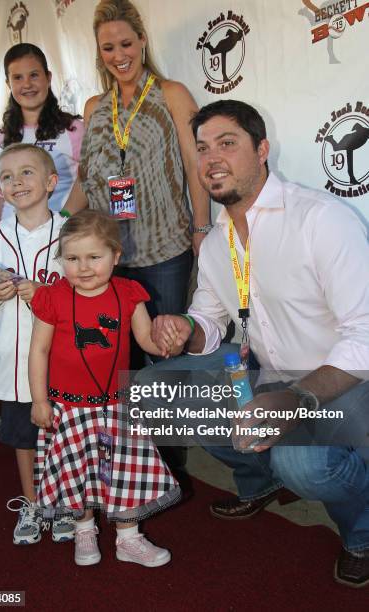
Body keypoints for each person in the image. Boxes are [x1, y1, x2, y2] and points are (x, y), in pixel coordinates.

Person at [148, 100, 369, 588]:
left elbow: (366, 335)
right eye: (202, 149)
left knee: (302, 462)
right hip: (271, 378)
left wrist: (297, 399)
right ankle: (262, 475)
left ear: (263, 149)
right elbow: (208, 319)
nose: (211, 160)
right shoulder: (217, 240)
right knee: (159, 393)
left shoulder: (322, 219)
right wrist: (186, 328)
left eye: (227, 144)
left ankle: (362, 532)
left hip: (345, 380)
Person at [29, 209, 181, 567]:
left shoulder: (129, 294)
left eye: (94, 257)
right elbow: (39, 350)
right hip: (67, 408)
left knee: (124, 469)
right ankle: (84, 530)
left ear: (116, 255)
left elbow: (146, 340)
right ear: (61, 259)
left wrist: (168, 341)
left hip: (117, 405)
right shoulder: (52, 297)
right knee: (77, 471)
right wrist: (39, 400)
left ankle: (129, 538)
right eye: (72, 258)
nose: (83, 267)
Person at [66, 0, 210, 325]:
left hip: (165, 251)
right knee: (121, 356)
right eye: (108, 48)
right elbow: (86, 178)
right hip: (107, 254)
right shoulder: (94, 108)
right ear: (99, 53)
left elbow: (194, 163)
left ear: (142, 40)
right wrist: (59, 222)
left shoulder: (171, 94)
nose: (119, 56)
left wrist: (202, 228)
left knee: (164, 347)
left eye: (126, 44)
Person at [0, 143, 72, 546]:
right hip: (13, 358)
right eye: (6, 176)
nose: (16, 182)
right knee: (24, 437)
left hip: (61, 359)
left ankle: (63, 501)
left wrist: (45, 291)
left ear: (50, 182)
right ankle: (32, 502)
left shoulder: (68, 230)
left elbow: (88, 284)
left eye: (27, 173)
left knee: (62, 436)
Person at [0, 43, 84, 230]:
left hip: (62, 235)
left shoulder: (73, 129)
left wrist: (60, 222)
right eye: (18, 78)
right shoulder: (2, 137)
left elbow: (88, 181)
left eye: (34, 75)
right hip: (12, 240)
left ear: (48, 78)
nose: (27, 84)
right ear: (8, 84)